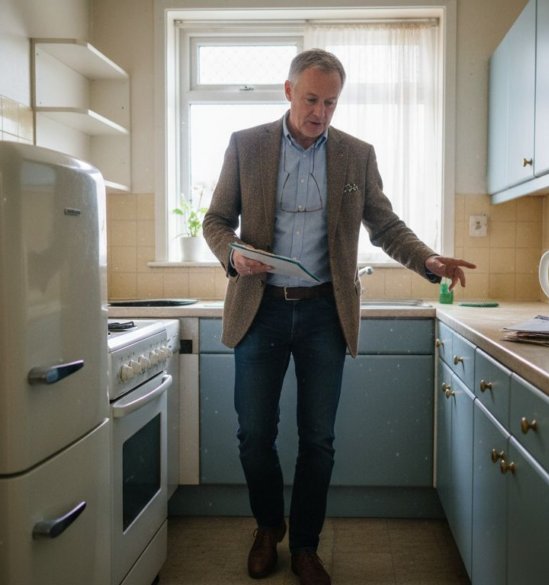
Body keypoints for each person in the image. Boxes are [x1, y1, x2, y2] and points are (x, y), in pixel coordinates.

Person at [202, 48, 475, 585]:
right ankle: (267, 527)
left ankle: (304, 545)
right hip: (260, 310)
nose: (320, 112)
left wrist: (427, 259)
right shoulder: (246, 145)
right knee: (254, 435)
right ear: (288, 92)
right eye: (311, 99)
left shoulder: (355, 154)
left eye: (330, 102)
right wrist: (233, 253)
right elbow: (215, 221)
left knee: (318, 439)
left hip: (326, 313)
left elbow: (385, 224)